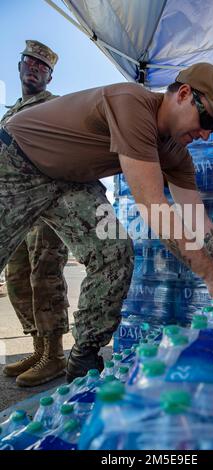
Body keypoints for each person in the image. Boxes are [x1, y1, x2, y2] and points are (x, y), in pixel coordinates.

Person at [0, 62, 213, 382]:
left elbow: (198, 220)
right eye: (208, 120)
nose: (205, 134)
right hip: (15, 161)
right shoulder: (131, 102)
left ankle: (83, 357)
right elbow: (154, 207)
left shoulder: (176, 152)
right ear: (183, 94)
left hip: (70, 180)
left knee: (114, 251)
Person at [0, 40, 69, 387]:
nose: (34, 68)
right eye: (30, 61)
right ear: (19, 66)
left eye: (42, 66)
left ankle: (55, 355)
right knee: (17, 279)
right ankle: (38, 347)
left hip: (48, 209)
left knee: (45, 278)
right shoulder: (9, 112)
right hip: (16, 213)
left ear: (49, 75)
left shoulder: (55, 106)